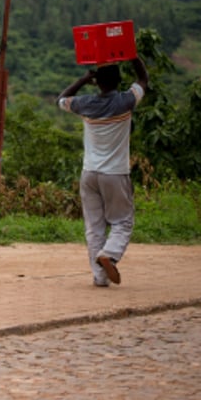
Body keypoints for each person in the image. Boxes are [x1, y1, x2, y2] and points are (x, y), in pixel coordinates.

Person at [57, 56, 148, 287]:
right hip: (115, 174)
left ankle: (100, 277)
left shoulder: (86, 104)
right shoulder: (126, 101)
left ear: (97, 82)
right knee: (123, 222)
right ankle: (110, 253)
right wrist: (132, 55)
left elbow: (61, 99)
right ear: (119, 81)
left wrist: (84, 78)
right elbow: (143, 79)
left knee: (94, 226)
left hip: (89, 174)